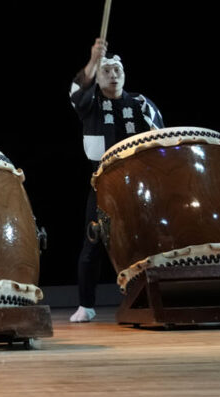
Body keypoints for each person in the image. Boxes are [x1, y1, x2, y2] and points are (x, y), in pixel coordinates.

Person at [67, 38, 163, 322]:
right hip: (104, 183)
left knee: (147, 240)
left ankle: (154, 297)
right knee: (92, 242)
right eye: (106, 71)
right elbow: (75, 92)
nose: (113, 76)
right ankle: (86, 304)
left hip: (141, 186)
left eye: (117, 71)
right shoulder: (91, 104)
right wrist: (94, 59)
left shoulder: (140, 103)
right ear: (98, 78)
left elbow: (162, 139)